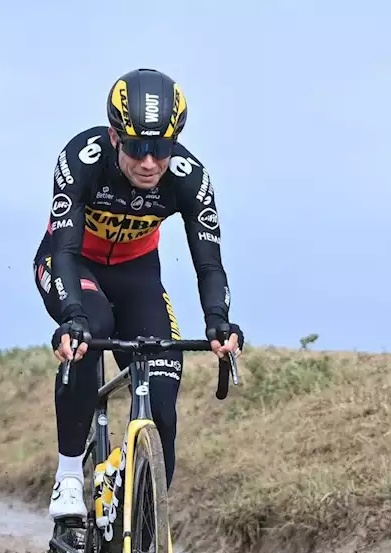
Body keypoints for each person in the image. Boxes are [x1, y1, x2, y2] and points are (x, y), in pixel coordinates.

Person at [33, 67, 244, 521]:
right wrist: (70, 315)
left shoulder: (189, 177)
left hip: (137, 275)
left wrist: (218, 320)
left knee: (163, 393)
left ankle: (143, 524)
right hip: (73, 264)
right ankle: (69, 474)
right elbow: (65, 249)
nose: (149, 163)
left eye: (161, 149)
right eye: (137, 148)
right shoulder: (82, 158)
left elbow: (208, 263)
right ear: (114, 137)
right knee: (91, 331)